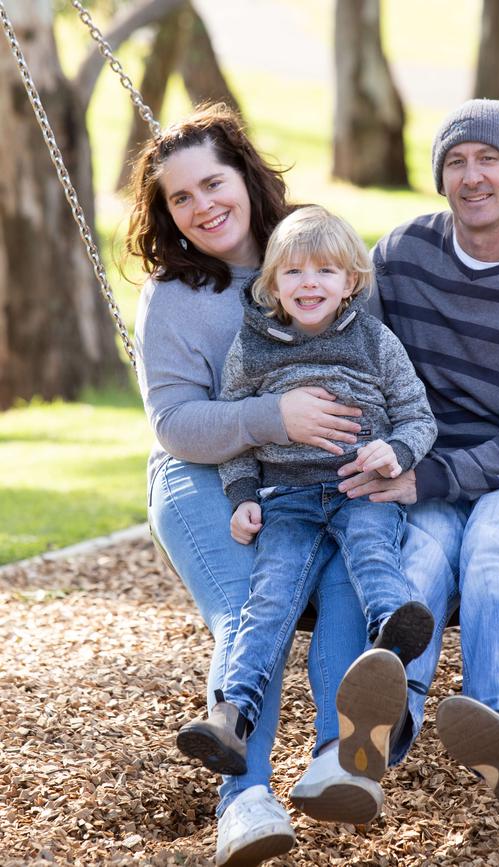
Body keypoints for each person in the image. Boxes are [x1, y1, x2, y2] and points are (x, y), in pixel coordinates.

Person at [332, 99, 499, 810]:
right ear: (440, 178)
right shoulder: (402, 255)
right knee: (418, 562)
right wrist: (393, 458)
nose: (472, 175)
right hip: (429, 467)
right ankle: (384, 730)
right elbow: (364, 370)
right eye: (456, 161)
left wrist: (434, 476)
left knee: (495, 547)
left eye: (488, 159)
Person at [127, 103, 380, 867]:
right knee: (246, 601)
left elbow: (373, 354)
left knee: (347, 576)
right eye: (181, 197)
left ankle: (339, 756)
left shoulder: (310, 249)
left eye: (213, 182)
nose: (203, 206)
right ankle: (243, 799)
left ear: (244, 174)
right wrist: (276, 415)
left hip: (309, 475)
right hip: (200, 473)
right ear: (167, 213)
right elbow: (175, 421)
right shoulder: (174, 295)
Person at [180, 205, 437, 784]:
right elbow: (234, 429)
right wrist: (243, 492)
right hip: (286, 501)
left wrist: (395, 452)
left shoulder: (375, 341)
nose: (309, 283)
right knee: (268, 601)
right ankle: (231, 714)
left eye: (325, 271)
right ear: (272, 285)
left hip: (361, 488)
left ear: (351, 282)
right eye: (293, 273)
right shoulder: (252, 348)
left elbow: (418, 417)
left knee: (373, 554)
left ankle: (392, 638)